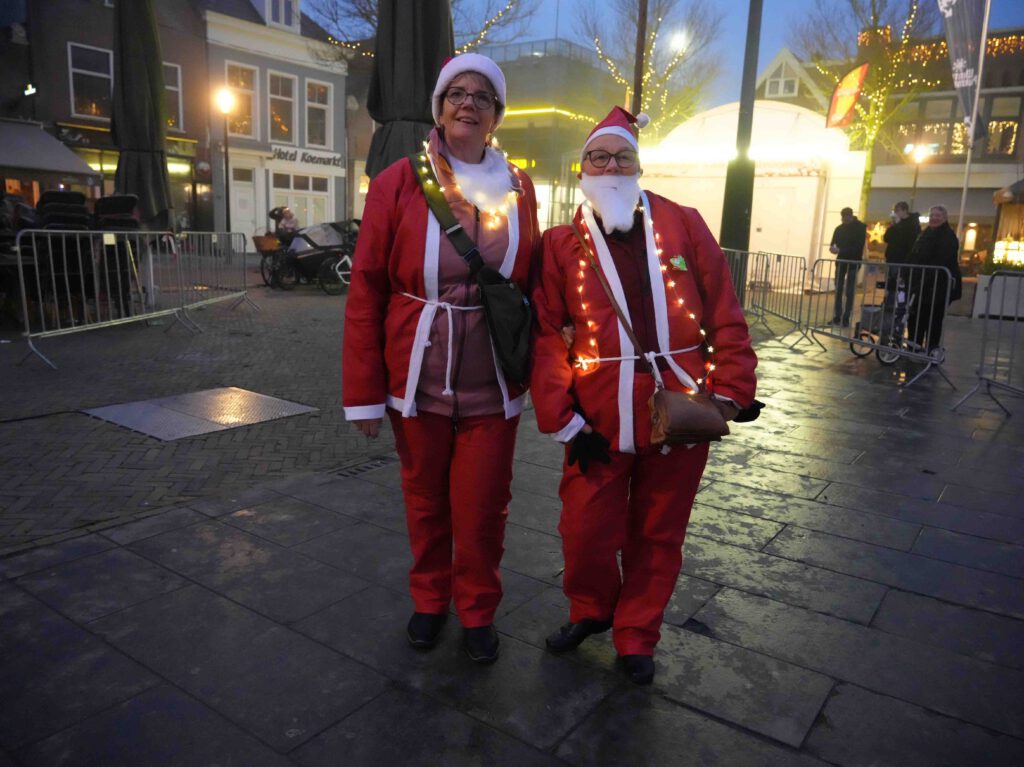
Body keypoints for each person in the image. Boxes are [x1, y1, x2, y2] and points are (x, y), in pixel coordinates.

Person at [530, 107, 759, 686]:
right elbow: (545, 334)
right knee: (584, 530)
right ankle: (591, 608)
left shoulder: (683, 224)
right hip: (598, 415)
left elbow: (724, 308)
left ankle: (637, 634)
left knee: (659, 531)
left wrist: (732, 389)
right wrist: (561, 417)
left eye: (622, 156)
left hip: (680, 408)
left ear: (638, 165)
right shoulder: (560, 243)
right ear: (582, 169)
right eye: (598, 157)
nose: (610, 166)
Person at [342, 53, 540, 664]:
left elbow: (532, 280)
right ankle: (430, 599)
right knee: (425, 500)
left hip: (493, 381)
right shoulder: (398, 182)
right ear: (439, 107)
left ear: (496, 115)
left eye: (483, 96)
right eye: (457, 93)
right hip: (416, 376)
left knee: (483, 508)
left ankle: (477, 608)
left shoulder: (520, 187)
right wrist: (363, 394)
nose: (468, 104)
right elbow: (366, 289)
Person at [905, 205, 962, 356]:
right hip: (922, 284)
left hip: (938, 285)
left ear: (944, 218)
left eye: (937, 216)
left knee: (934, 319)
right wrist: (906, 272)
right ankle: (914, 345)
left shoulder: (948, 237)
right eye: (932, 215)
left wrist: (925, 277)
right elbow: (914, 254)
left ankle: (931, 348)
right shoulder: (924, 234)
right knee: (916, 316)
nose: (934, 218)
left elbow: (942, 260)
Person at [828, 206, 867, 326]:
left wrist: (840, 250)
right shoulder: (839, 229)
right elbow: (833, 243)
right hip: (841, 262)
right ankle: (838, 316)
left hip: (853, 262)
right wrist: (833, 248)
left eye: (846, 219)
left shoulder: (860, 228)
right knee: (838, 289)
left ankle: (846, 317)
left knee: (849, 291)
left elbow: (858, 247)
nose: (844, 221)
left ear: (850, 216)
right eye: (843, 219)